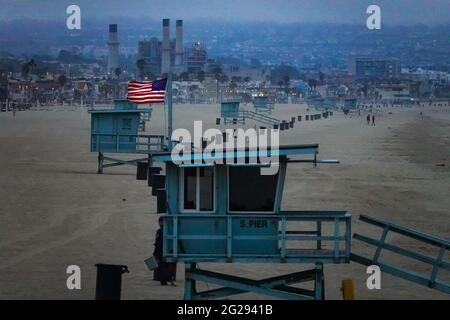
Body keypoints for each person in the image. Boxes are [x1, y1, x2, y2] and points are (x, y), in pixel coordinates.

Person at [153, 217, 177, 286]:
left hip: (161, 251)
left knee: (162, 266)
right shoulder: (172, 230)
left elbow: (158, 242)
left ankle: (163, 281)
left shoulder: (159, 231)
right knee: (170, 266)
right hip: (171, 251)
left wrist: (155, 252)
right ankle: (171, 280)